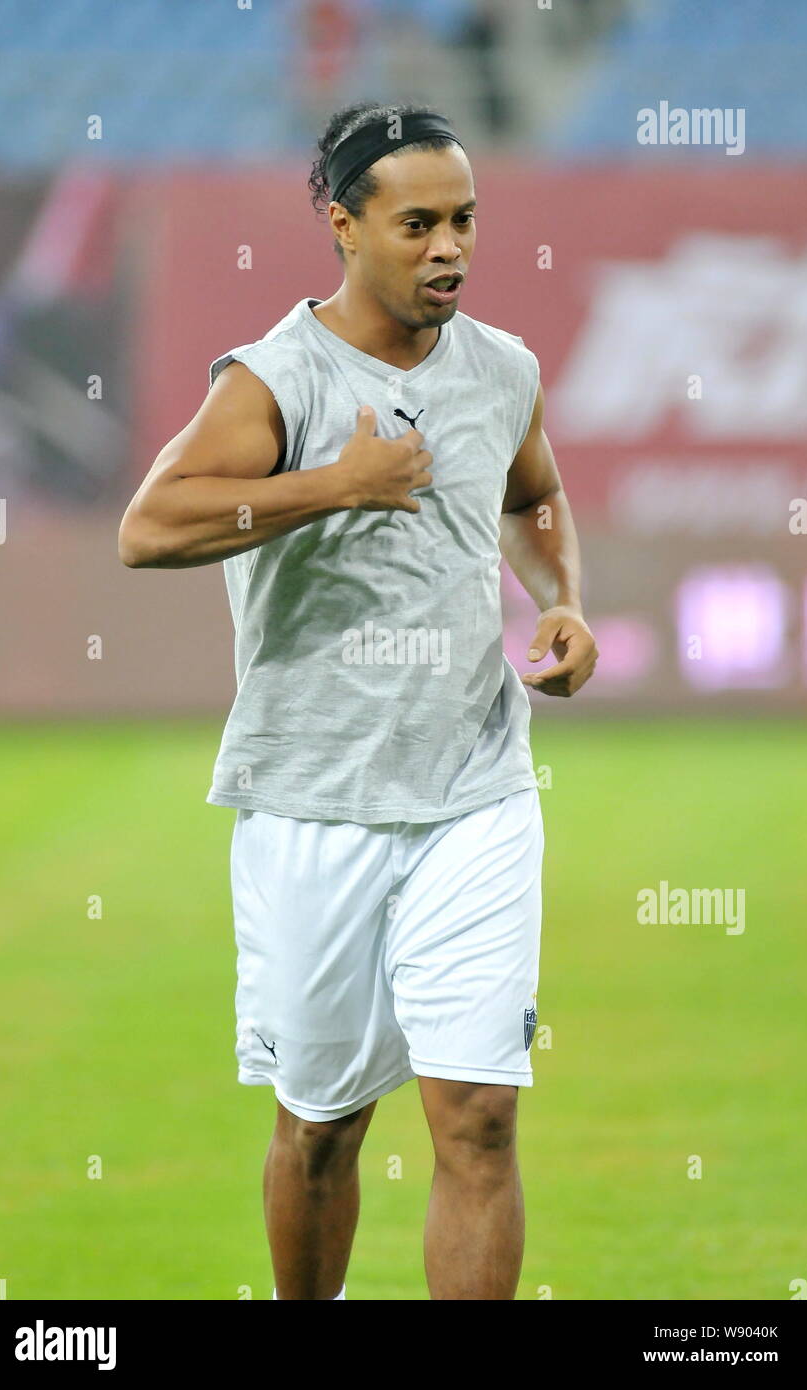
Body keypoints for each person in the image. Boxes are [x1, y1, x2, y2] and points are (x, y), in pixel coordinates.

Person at [118, 100, 598, 1301]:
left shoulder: (501, 369)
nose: (449, 248)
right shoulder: (274, 379)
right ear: (342, 225)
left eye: (465, 221)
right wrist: (332, 484)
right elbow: (150, 527)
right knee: (323, 1126)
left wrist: (561, 600)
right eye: (417, 222)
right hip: (311, 800)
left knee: (479, 1120)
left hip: (474, 794)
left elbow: (530, 497)